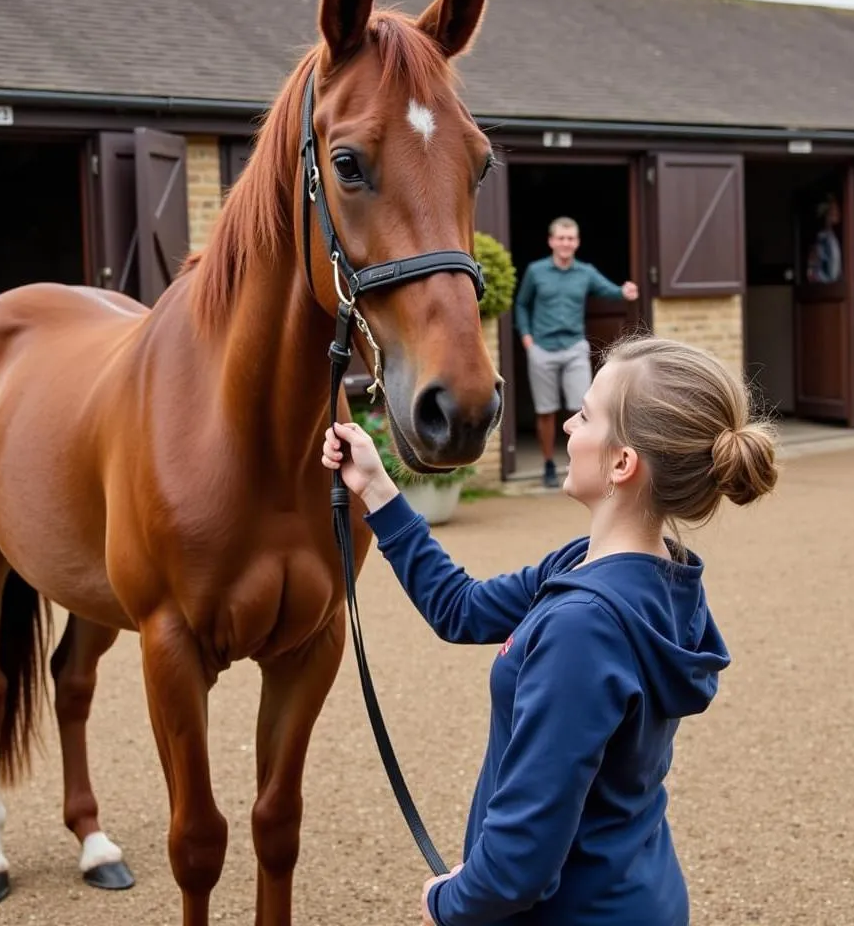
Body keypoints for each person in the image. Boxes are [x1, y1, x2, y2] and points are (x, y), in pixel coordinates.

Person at [321, 334, 779, 926]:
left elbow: (518, 868)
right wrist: (380, 492)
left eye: (585, 415)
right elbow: (461, 608)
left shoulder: (583, 629)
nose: (566, 425)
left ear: (622, 462)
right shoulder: (645, 572)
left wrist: (447, 902)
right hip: (639, 893)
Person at [514, 216, 639, 488]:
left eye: (570, 238)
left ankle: (579, 467)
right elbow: (522, 305)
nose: (565, 243)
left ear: (577, 242)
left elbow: (609, 290)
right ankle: (548, 465)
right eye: (561, 238)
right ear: (551, 241)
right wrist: (527, 339)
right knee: (546, 411)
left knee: (582, 409)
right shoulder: (536, 272)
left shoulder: (586, 272)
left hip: (574, 348)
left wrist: (624, 292)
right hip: (542, 350)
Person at [805, 193, 843, 284]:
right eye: (834, 208)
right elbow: (812, 273)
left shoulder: (832, 237)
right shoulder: (821, 240)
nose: (838, 211)